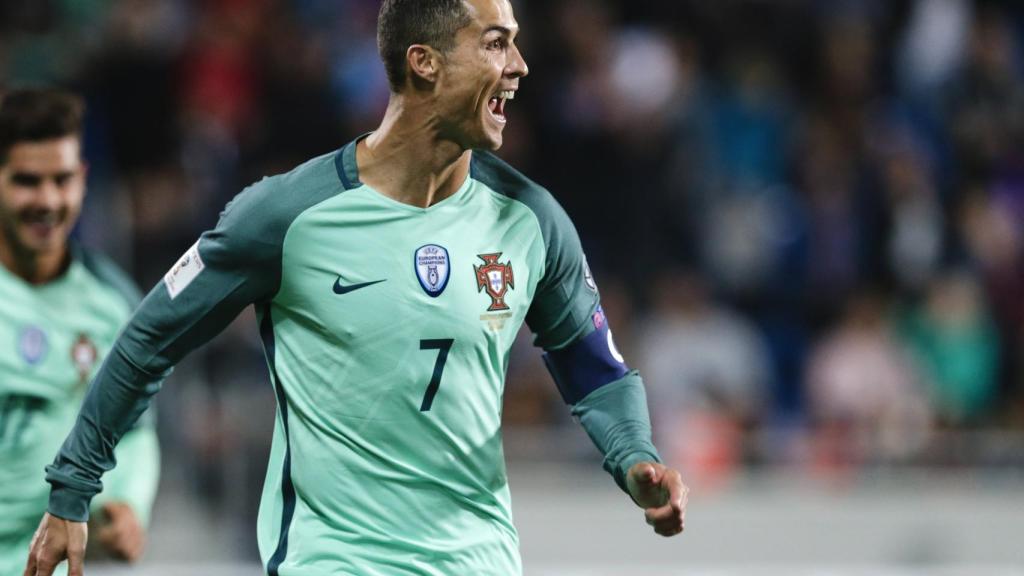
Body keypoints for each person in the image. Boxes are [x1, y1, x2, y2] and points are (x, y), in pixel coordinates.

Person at [27, 0, 687, 574]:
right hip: (335, 558)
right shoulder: (287, 215)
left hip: (478, 560)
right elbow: (149, 337)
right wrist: (73, 488)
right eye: (494, 43)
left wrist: (633, 457)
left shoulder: (530, 219)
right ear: (424, 63)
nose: (518, 66)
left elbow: (594, 367)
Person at [0, 88, 159, 575]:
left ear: (83, 180)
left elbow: (135, 429)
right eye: (27, 181)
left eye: (62, 180)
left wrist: (128, 503)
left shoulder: (112, 303)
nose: (47, 200)